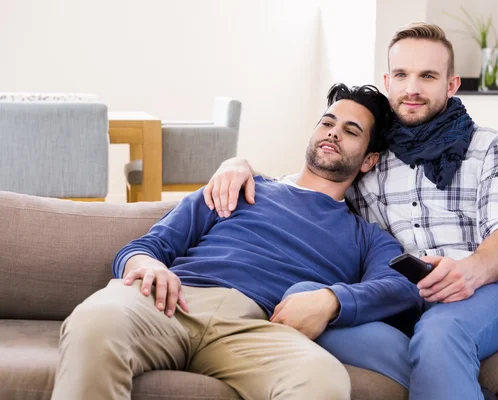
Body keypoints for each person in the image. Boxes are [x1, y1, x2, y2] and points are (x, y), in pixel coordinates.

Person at [204, 23, 498, 400]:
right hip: (402, 301)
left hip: (489, 290)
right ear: (388, 80)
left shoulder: (493, 148)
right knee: (303, 298)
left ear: (451, 85)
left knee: (440, 332)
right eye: (401, 75)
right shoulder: (370, 158)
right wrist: (239, 165)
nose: (412, 88)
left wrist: (469, 272)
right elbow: (298, 189)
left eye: (427, 76)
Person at [51, 83, 423, 400]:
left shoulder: (366, 235)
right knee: (95, 322)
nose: (333, 132)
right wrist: (145, 265)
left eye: (351, 130)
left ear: (369, 160)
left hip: (258, 327)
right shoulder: (239, 186)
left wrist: (331, 300)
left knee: (322, 380)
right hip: (172, 301)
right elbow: (145, 247)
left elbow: (402, 287)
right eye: (327, 122)